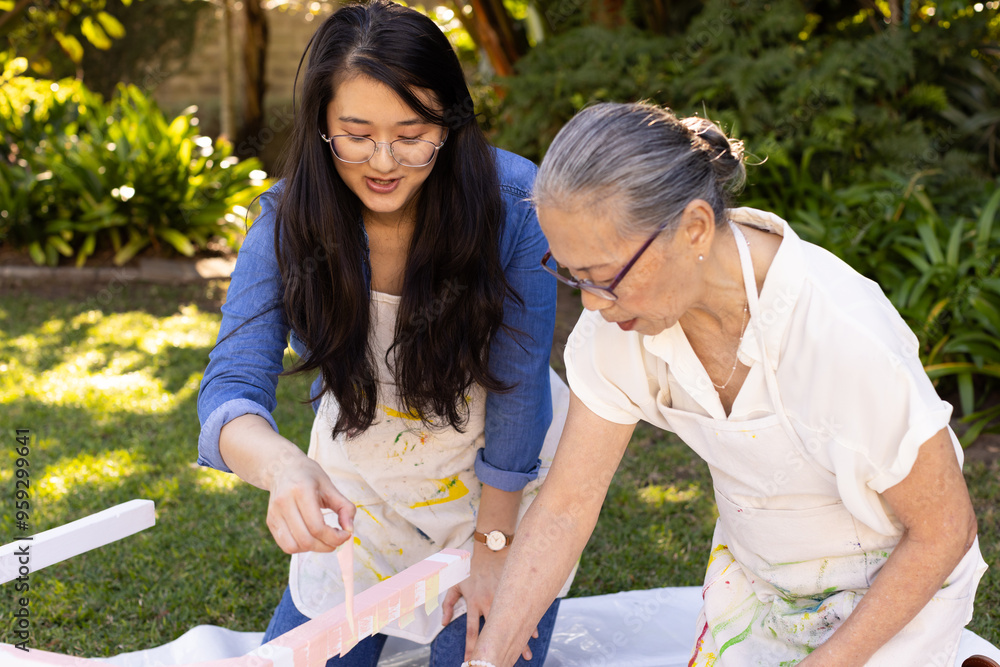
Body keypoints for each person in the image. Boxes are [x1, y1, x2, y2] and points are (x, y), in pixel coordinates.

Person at [466, 102, 988, 667]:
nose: (591, 303)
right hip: (758, 583)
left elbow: (944, 530)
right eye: (571, 275)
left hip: (896, 595)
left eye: (605, 277)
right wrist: (487, 658)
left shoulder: (840, 335)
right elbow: (567, 504)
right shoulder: (619, 325)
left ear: (694, 228)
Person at [196, 2, 572, 665]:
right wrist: (285, 466)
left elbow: (517, 385)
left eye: (412, 132)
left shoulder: (515, 205)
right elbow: (230, 386)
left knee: (482, 651)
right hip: (361, 481)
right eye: (357, 133)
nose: (384, 160)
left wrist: (494, 547)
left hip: (502, 483)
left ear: (451, 125)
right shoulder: (287, 222)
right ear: (320, 126)